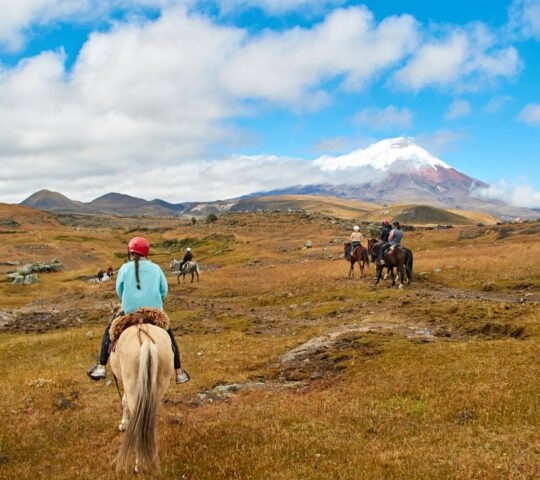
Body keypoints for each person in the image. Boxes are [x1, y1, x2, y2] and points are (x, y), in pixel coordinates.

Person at [87, 236, 190, 384]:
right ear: (146, 253)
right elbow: (164, 291)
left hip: (130, 313)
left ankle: (101, 366)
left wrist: (128, 299)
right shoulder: (156, 268)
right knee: (169, 335)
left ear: (130, 252)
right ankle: (179, 372)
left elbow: (119, 290)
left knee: (110, 330)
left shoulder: (124, 268)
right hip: (154, 313)